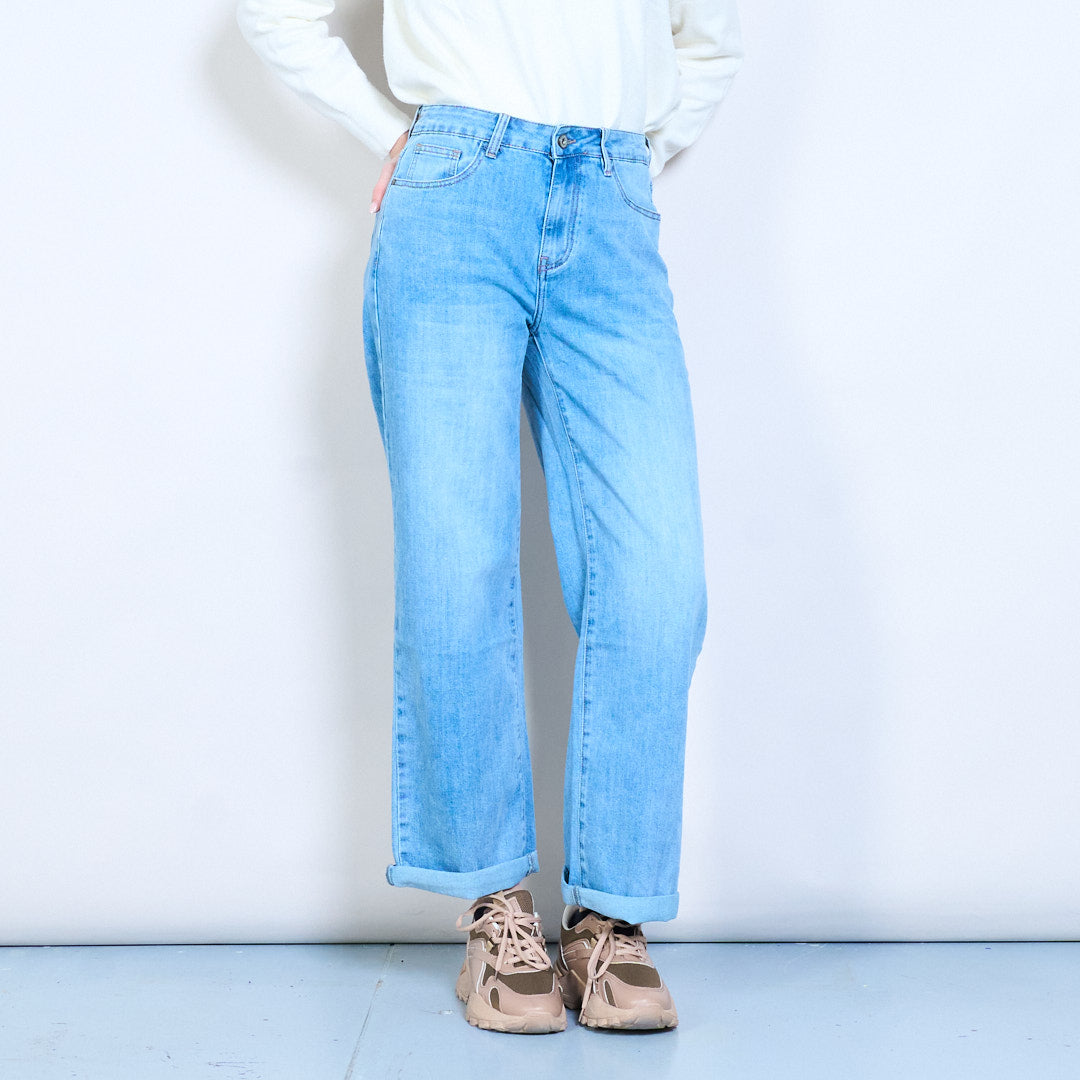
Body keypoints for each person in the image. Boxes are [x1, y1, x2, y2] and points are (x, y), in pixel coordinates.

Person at [236, 0, 743, 1034]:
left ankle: (610, 918)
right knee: (457, 560)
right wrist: (392, 136)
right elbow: (273, 13)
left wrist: (634, 162)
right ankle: (495, 911)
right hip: (455, 192)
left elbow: (710, 37)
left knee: (658, 578)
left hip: (611, 200)